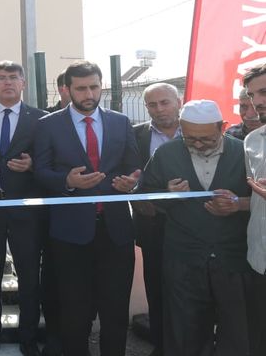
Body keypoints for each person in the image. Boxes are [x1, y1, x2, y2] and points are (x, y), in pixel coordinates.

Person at [32, 61, 140, 356]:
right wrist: (66, 181)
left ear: (101, 85)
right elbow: (40, 172)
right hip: (70, 235)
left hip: (116, 232)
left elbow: (134, 166)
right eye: (81, 88)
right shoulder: (48, 125)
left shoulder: (120, 122)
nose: (89, 93)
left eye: (94, 86)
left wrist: (132, 181)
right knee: (74, 312)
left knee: (116, 310)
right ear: (67, 90)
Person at [139, 99, 251, 356]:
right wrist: (166, 194)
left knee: (236, 330)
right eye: (191, 140)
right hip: (184, 260)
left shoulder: (245, 152)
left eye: (207, 139)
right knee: (185, 331)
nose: (199, 145)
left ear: (222, 127)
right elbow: (144, 198)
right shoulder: (166, 154)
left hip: (233, 259)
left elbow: (261, 201)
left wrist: (240, 204)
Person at [0, 61, 46, 356]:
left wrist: (32, 165)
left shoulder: (41, 119)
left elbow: (51, 158)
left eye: (13, 77)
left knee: (28, 275)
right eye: (1, 78)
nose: (7, 83)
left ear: (23, 83)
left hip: (25, 210)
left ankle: (28, 337)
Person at [131, 82, 181, 356]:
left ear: (179, 101)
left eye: (165, 102)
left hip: (197, 228)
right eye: (152, 104)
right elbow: (129, 179)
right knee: (158, 290)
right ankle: (161, 346)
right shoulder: (134, 135)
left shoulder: (200, 131)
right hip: (152, 227)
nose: (159, 109)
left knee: (193, 290)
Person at [242, 64, 266, 356]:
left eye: (264, 92)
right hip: (259, 261)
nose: (257, 101)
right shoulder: (252, 140)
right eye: (252, 94)